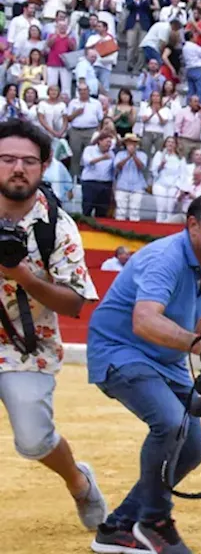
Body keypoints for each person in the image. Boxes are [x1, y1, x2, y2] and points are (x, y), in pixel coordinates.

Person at [86, 193, 201, 553]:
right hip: (121, 351)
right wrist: (197, 345)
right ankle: (155, 522)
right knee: (171, 423)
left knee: (191, 449)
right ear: (192, 224)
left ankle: (119, 527)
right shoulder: (165, 257)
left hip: (168, 360)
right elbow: (144, 321)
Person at [0, 118, 105, 534]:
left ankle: (79, 482)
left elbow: (76, 303)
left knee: (34, 440)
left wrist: (22, 275)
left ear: (44, 167)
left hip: (27, 346)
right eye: (7, 159)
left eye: (28, 161)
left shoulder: (56, 227)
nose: (18, 168)